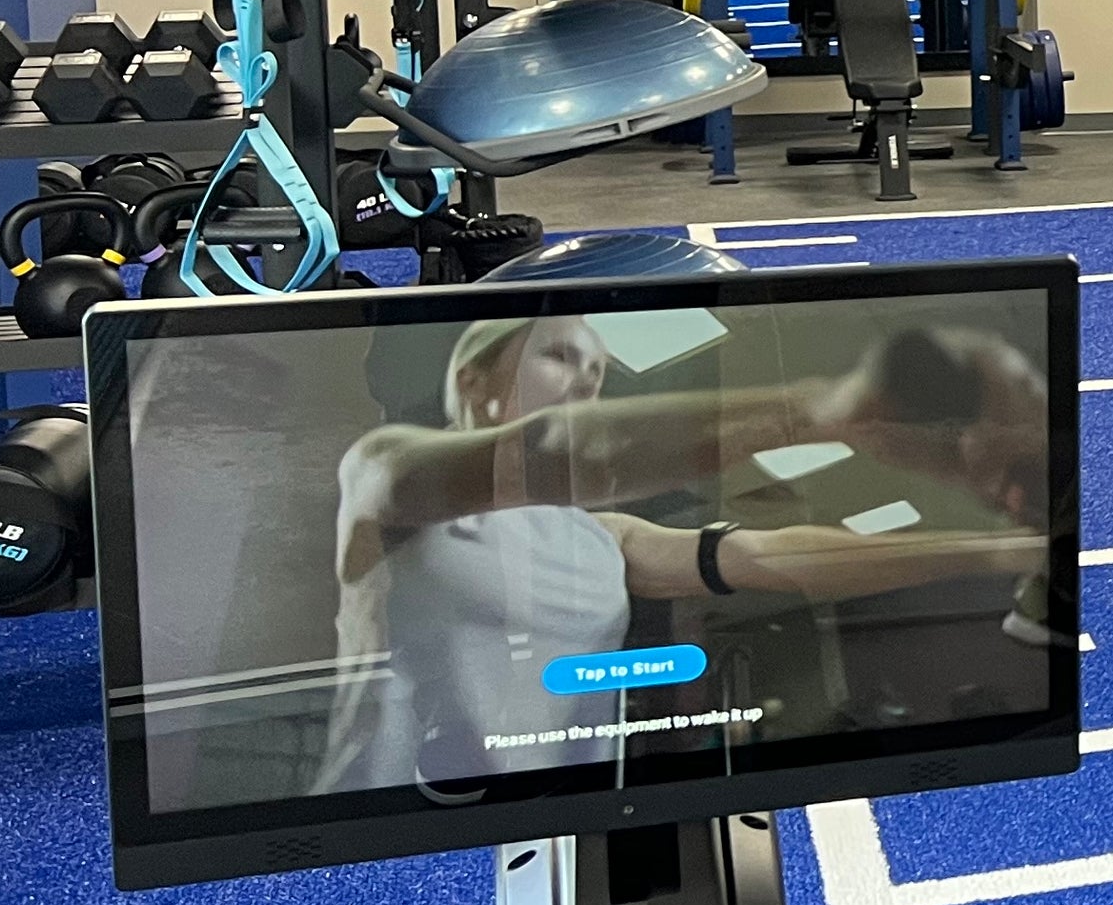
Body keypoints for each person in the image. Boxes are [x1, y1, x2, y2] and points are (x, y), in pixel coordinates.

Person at [316, 310, 1047, 795]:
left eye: (598, 373)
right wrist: (820, 410)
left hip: (558, 815)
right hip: (389, 812)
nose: (586, 385)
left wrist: (1000, 552)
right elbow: (554, 452)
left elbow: (765, 556)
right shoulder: (388, 467)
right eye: (562, 357)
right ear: (472, 377)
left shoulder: (598, 536)